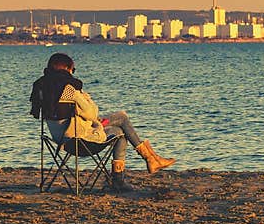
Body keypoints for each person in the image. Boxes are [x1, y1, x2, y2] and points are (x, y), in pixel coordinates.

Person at [30, 53, 175, 191]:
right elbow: (92, 114)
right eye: (72, 69)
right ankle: (136, 168)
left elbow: (73, 114)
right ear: (67, 68)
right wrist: (85, 98)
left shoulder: (42, 87)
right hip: (78, 140)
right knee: (122, 120)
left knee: (119, 130)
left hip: (59, 139)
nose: (73, 72)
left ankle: (148, 161)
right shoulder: (69, 87)